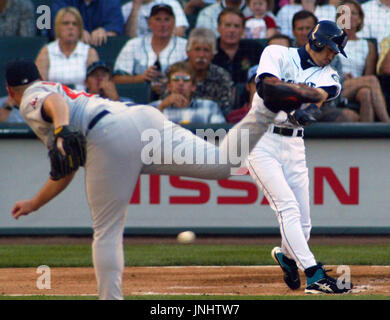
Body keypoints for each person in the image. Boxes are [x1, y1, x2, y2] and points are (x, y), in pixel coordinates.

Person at [6, 59, 303, 300]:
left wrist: (60, 128)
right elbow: (66, 166)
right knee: (223, 165)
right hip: (142, 119)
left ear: (10, 90)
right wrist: (35, 202)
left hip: (108, 135)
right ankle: (264, 110)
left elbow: (53, 102)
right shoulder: (50, 86)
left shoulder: (30, 96)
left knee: (107, 231)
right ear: (38, 75)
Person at [246, 20, 353, 294]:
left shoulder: (330, 76)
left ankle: (286, 257)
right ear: (316, 40)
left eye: (335, 51)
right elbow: (266, 89)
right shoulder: (277, 52)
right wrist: (294, 98)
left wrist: (304, 104)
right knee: (287, 208)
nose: (331, 55)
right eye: (329, 48)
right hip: (260, 139)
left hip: (294, 145)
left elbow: (319, 96)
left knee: (304, 224)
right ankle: (315, 275)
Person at [292, 10, 359, 122]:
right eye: (300, 29)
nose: (304, 32)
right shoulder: (286, 51)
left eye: (308, 28)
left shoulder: (332, 55)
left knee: (350, 115)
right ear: (293, 31)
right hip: (290, 102)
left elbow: (336, 87)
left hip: (322, 105)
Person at [113, 4, 188, 100]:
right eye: (158, 19)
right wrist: (141, 78)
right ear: (150, 23)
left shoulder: (185, 46)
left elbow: (193, 77)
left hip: (175, 100)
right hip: (140, 101)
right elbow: (116, 79)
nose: (163, 25)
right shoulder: (134, 44)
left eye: (167, 19)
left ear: (174, 22)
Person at [337, 0, 390, 122]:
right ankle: (387, 124)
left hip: (356, 85)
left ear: (360, 19)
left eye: (353, 13)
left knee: (366, 92)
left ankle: (367, 137)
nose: (348, 16)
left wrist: (357, 81)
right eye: (344, 13)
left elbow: (368, 75)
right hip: (335, 85)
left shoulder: (368, 45)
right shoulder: (330, 41)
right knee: (371, 81)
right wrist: (341, 75)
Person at [35, 7, 99, 91]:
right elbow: (39, 84)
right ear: (58, 27)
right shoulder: (46, 51)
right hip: (53, 100)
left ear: (79, 29)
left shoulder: (89, 53)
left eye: (74, 24)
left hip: (82, 100)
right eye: (66, 23)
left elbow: (96, 87)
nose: (70, 27)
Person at [151, 61, 225, 124]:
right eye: (176, 79)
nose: (181, 83)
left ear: (193, 86)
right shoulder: (154, 107)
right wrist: (162, 107)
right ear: (169, 86)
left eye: (186, 79)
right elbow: (144, 133)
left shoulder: (209, 107)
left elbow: (219, 135)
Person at [185, 27, 234, 117]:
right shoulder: (175, 73)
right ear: (188, 52)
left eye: (206, 50)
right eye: (197, 49)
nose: (201, 55)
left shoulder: (222, 76)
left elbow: (226, 110)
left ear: (213, 54)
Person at [212, 7, 265, 83]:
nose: (232, 30)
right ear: (218, 28)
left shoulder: (255, 49)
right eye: (227, 25)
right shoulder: (209, 49)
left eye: (236, 26)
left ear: (243, 30)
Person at [51, 0, 124, 46]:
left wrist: (104, 31)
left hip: (102, 52)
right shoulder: (61, 1)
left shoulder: (111, 2)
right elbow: (57, 25)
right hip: (69, 51)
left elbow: (116, 27)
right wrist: (78, 32)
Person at [122, 0, 189, 38]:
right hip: (139, 49)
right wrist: (135, 7)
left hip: (169, 46)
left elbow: (180, 32)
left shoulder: (171, 3)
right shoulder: (126, 8)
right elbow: (129, 36)